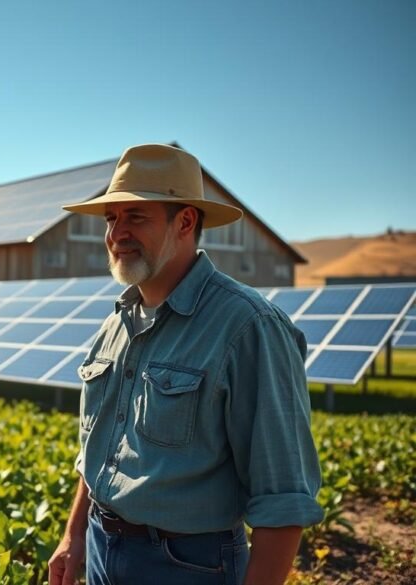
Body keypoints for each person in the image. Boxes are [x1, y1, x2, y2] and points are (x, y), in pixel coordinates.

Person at [48, 144, 323, 585]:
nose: (117, 232)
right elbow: (98, 447)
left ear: (186, 221)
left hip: (186, 564)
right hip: (102, 546)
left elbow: (283, 499)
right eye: (111, 218)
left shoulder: (248, 326)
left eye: (136, 216)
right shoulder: (117, 322)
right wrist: (73, 535)